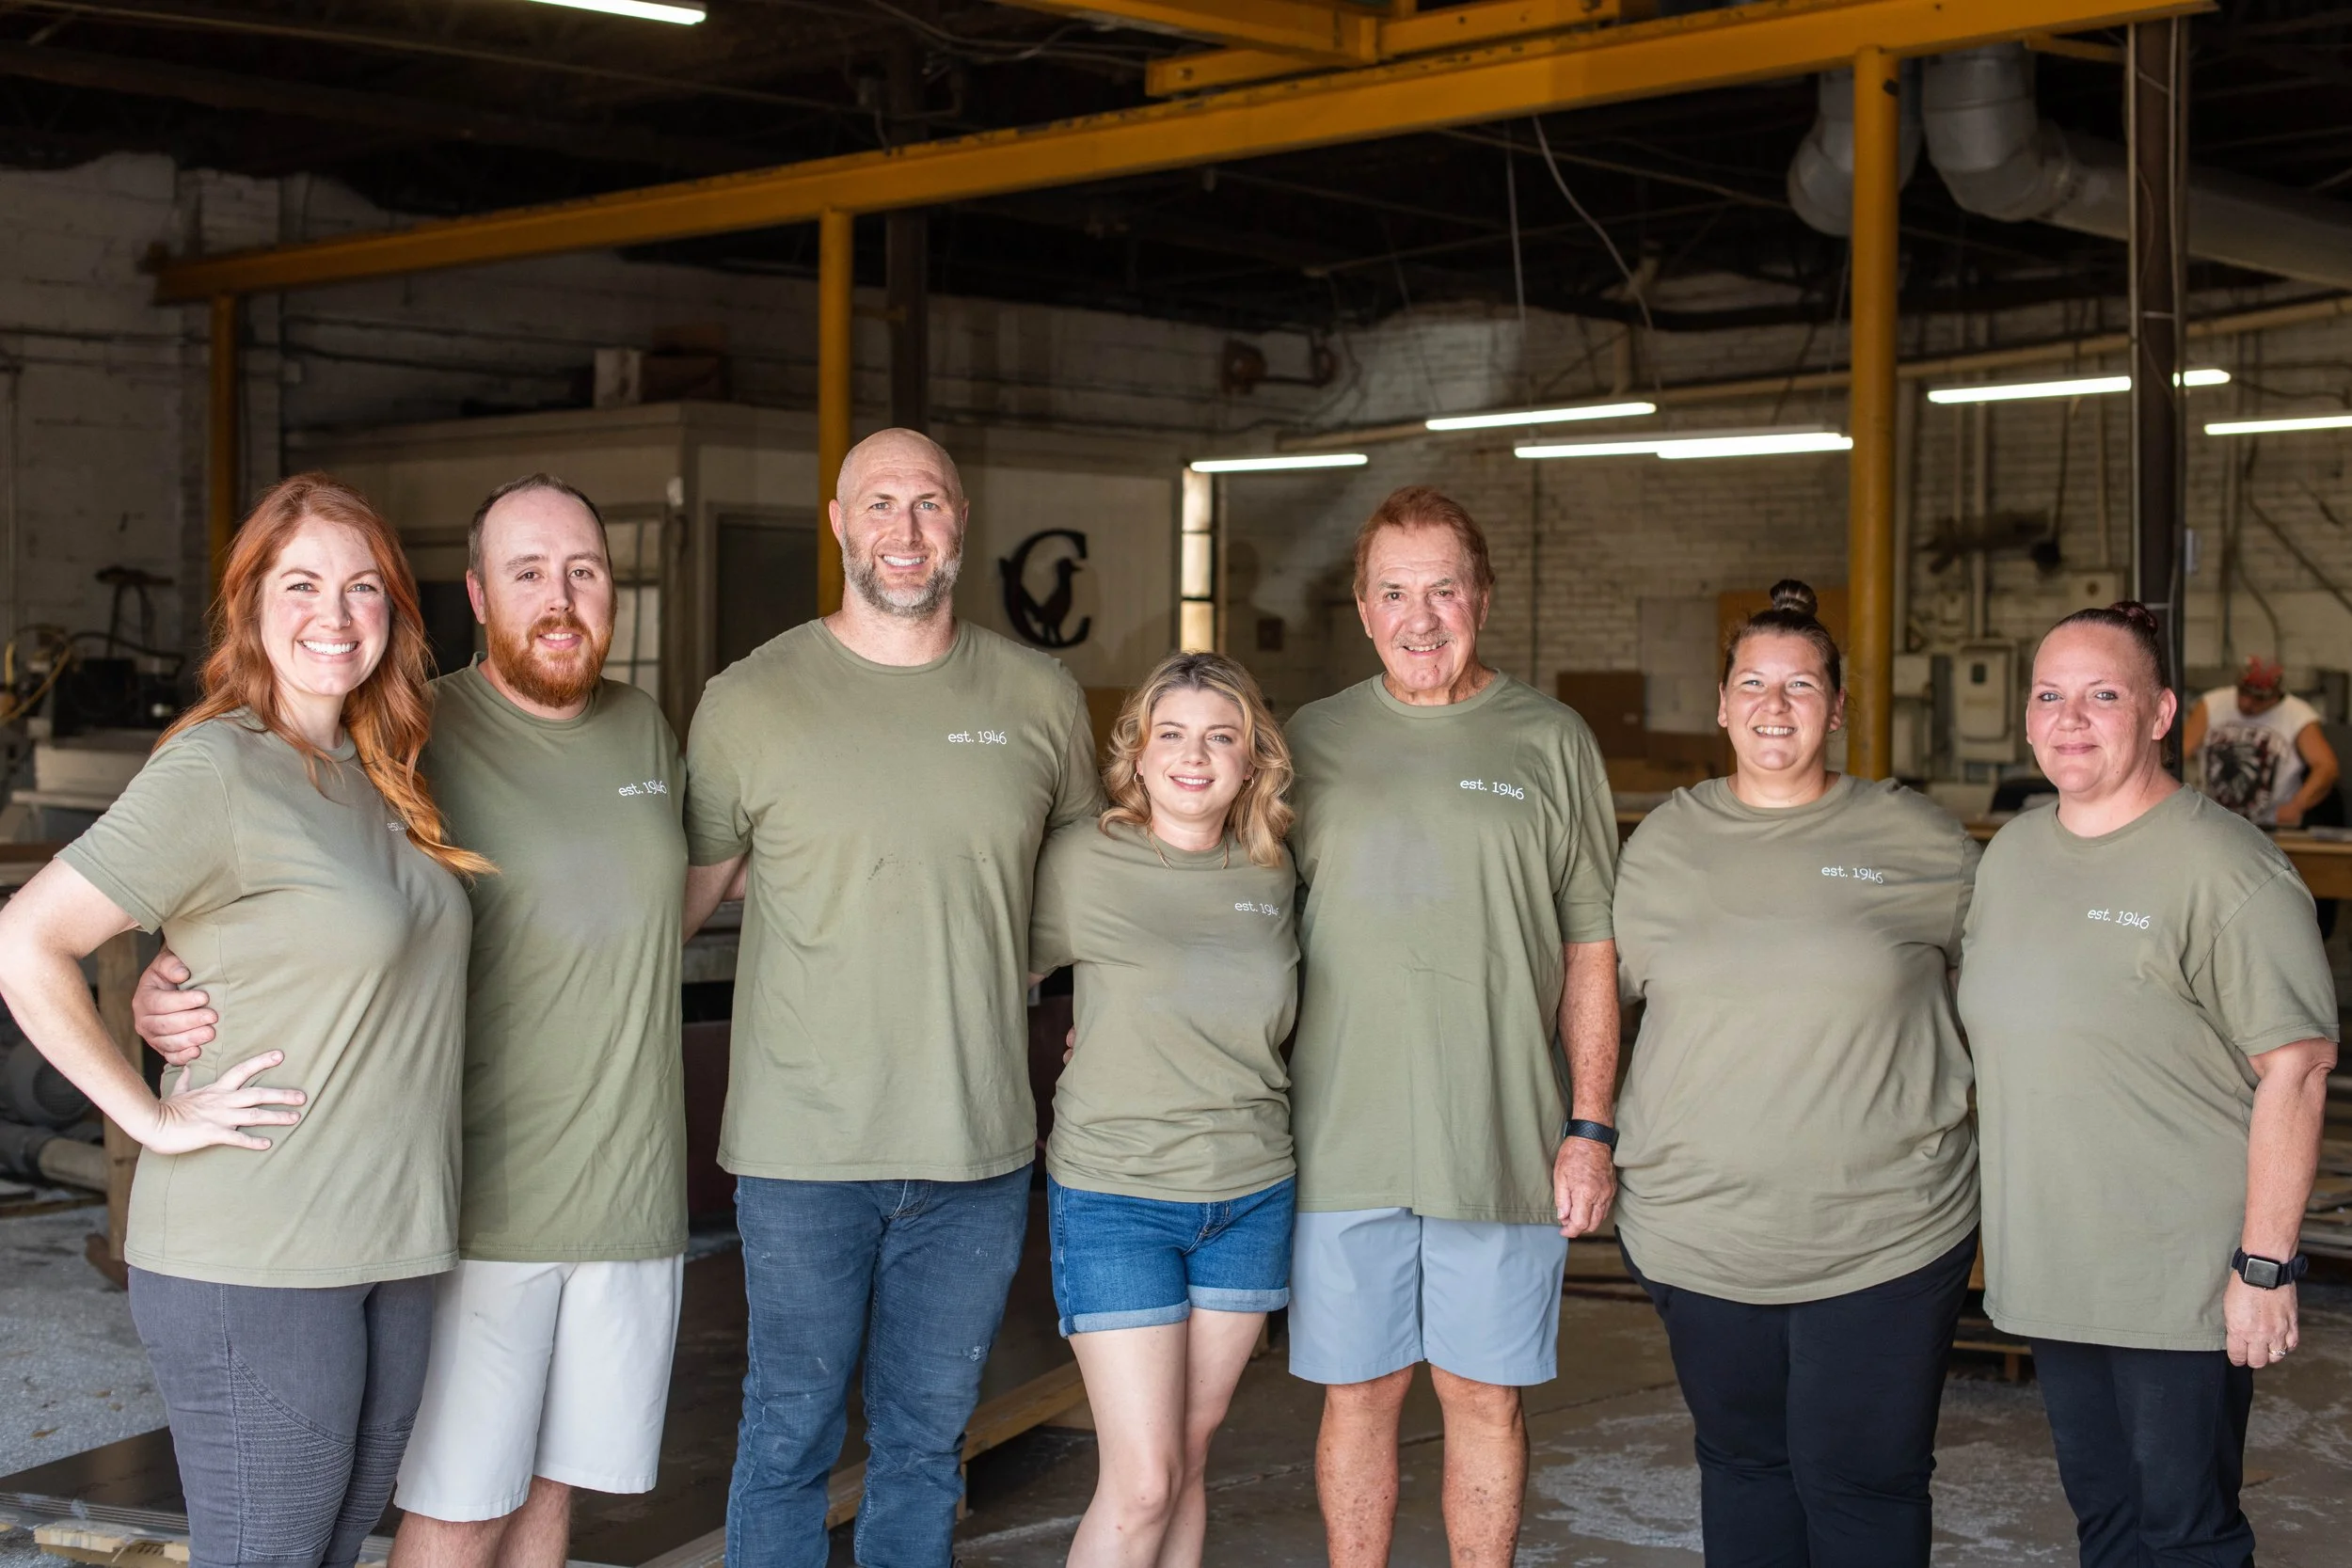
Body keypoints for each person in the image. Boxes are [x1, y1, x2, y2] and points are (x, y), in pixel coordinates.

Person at [132, 475, 691, 1568]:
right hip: (469, 1192)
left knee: (552, 1489)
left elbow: (665, 902)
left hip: (628, 1189)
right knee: (458, 1500)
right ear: (476, 595)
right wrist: (172, 977)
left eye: (584, 570)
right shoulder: (406, 731)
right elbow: (282, 886)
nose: (560, 595)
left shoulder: (647, 730)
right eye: (528, 572)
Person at [0, 474, 482, 1568]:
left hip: (389, 1239)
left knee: (330, 1542)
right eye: (302, 583)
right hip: (257, 1244)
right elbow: (24, 939)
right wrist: (146, 1118)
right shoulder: (215, 767)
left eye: (365, 588)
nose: (336, 613)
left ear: (396, 612)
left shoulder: (383, 771)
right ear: (251, 603)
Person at [679, 427, 1101, 1568]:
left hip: (973, 1146)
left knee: (924, 1445)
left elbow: (1091, 888)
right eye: (879, 504)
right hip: (802, 1151)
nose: (904, 531)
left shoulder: (1038, 694)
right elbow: (674, 901)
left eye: (927, 504)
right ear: (839, 523)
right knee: (787, 1434)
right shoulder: (750, 698)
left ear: (961, 519)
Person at [1282, 486, 1620, 1568]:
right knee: (1360, 1392)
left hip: (1500, 1136)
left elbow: (1591, 952)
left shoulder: (1550, 739)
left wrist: (1590, 1125)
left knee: (1483, 1392)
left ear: (1481, 595)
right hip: (1339, 1137)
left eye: (1442, 589)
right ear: (1361, 604)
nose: (1419, 617)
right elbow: (1238, 925)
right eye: (1394, 591)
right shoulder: (1307, 742)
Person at [1611, 579, 1980, 1568]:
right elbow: (1591, 1006)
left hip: (1885, 1230)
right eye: (1754, 684)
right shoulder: (1658, 846)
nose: (1775, 707)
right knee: (1742, 1464)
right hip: (1699, 1228)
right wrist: (1582, 1137)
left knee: (1863, 1477)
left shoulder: (1921, 842)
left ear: (1839, 706)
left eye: (1802, 685)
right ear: (1722, 702)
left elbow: (2013, 999)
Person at [1961, 602, 2338, 1566]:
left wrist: (2264, 1266)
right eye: (2050, 694)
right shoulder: (2012, 855)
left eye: (2102, 694)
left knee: (2185, 1531)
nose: (2069, 717)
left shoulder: (2222, 865)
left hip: (2182, 1276)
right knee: (2107, 1517)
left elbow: (2294, 1066)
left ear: (2163, 712)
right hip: (2055, 1263)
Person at [1029, 651, 1299, 1568]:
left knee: (1185, 1458)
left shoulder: (1273, 872)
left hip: (1249, 1190)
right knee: (1141, 1478)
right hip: (1117, 1193)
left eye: (1220, 736)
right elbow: (988, 977)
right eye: (1171, 735)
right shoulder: (1081, 859)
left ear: (1252, 757)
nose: (1194, 756)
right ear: (1136, 755)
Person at [2184, 655, 2340, 829]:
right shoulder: (2212, 704)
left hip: (2268, 824)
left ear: (2276, 695)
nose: (2247, 703)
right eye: (2243, 693)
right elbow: (2179, 751)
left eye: (2259, 699)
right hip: (2213, 819)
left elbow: (2326, 767)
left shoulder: (2298, 715)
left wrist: (2297, 805)